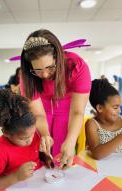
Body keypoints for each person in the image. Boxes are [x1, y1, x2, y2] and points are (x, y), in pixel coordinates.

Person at [20, 29, 91, 168]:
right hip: (42, 107)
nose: (45, 75)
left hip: (68, 108)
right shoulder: (27, 76)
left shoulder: (77, 66)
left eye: (50, 67)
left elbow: (77, 112)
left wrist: (70, 141)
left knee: (65, 147)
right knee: (41, 147)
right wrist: (45, 134)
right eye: (38, 70)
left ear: (57, 57)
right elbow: (38, 114)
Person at [0, 89, 53, 191]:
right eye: (24, 138)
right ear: (6, 133)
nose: (30, 140)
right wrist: (15, 177)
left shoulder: (31, 133)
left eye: (32, 134)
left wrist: (45, 157)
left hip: (37, 187)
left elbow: (33, 154)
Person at [85, 79, 122, 160]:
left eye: (120, 107)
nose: (119, 111)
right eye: (115, 107)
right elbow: (97, 154)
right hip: (99, 170)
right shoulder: (92, 124)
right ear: (100, 108)